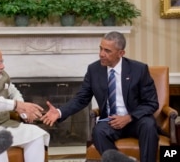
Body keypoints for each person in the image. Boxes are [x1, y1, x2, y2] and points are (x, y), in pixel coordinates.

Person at [41, 31, 159, 162]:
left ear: (121, 53)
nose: (101, 54)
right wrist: (59, 112)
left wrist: (128, 117)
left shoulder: (139, 69)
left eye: (107, 51)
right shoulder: (94, 70)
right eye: (101, 48)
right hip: (110, 121)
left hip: (135, 120)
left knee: (148, 125)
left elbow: (151, 103)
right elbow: (81, 98)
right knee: (98, 132)